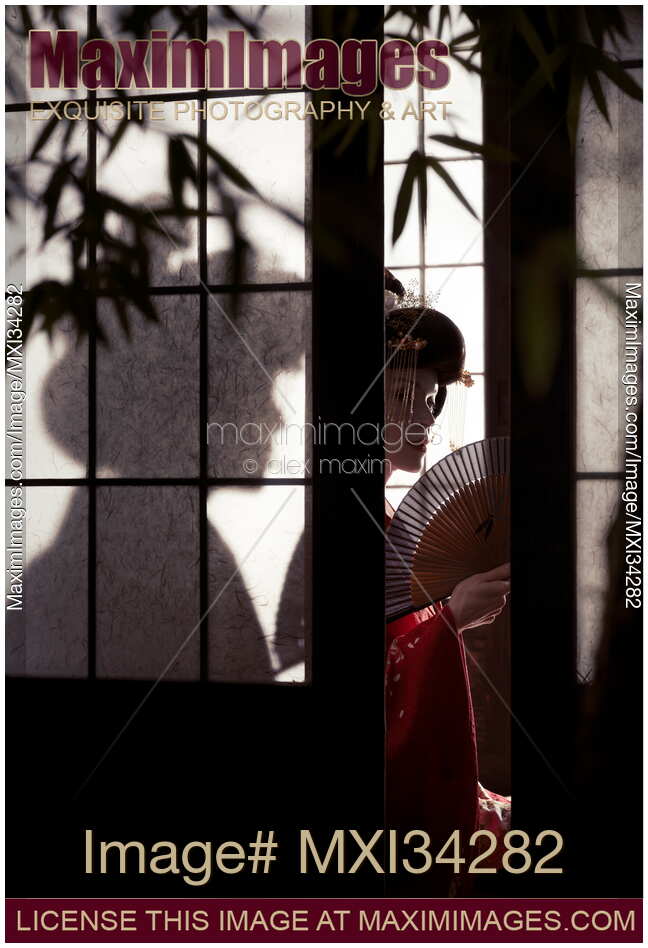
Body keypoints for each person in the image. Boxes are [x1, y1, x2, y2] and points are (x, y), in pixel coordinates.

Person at [383, 272, 510, 894]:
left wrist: (451, 616)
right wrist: (451, 618)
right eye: (404, 396)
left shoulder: (383, 516)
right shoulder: (328, 522)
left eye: (432, 400)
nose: (424, 416)